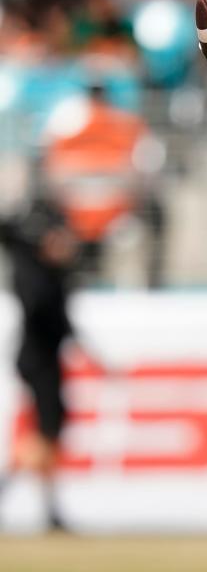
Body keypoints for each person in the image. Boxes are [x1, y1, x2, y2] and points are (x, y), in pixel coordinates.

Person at [0, 197, 78, 531]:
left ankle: (51, 509)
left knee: (47, 435)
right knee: (45, 434)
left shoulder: (47, 274)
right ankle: (45, 507)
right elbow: (49, 316)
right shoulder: (34, 275)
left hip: (41, 359)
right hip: (39, 361)